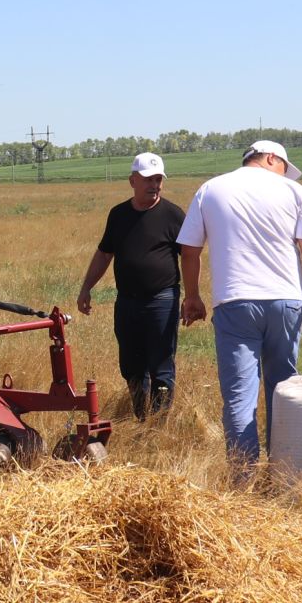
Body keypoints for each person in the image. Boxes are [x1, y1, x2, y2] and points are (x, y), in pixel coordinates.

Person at [176, 140, 302, 465]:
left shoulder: (210, 189)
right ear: (270, 158)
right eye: (284, 167)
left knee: (239, 397)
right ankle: (283, 472)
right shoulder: (294, 193)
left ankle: (244, 484)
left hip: (234, 301)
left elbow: (189, 250)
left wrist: (193, 296)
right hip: (285, 300)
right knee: (282, 391)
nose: (285, 175)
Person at [76, 152, 186, 420]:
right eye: (148, 179)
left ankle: (158, 423)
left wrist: (192, 296)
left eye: (158, 179)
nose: (154, 184)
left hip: (162, 299)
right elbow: (104, 253)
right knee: (131, 364)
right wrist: (86, 287)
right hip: (127, 301)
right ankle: (140, 414)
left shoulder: (173, 215)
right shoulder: (119, 215)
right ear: (132, 181)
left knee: (160, 363)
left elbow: (190, 257)